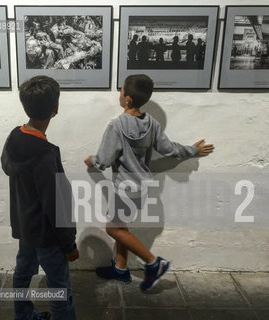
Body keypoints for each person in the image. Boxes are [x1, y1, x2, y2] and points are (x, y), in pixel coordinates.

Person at [84, 74, 214, 291]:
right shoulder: (151, 124)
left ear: (127, 100)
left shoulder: (116, 125)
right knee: (122, 226)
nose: (119, 94)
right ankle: (120, 269)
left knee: (113, 229)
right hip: (142, 187)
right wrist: (193, 150)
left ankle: (154, 263)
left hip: (124, 187)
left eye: (121, 91)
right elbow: (169, 149)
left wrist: (92, 161)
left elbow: (104, 159)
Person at [1, 76, 78, 320]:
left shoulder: (14, 138)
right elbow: (54, 203)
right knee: (59, 288)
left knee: (22, 273)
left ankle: (23, 316)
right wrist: (68, 244)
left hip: (26, 227)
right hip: (47, 234)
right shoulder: (45, 153)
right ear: (55, 109)